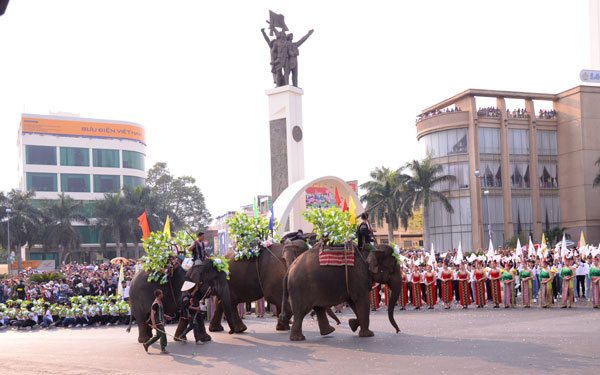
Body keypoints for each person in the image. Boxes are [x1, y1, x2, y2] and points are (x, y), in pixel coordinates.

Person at [143, 289, 172, 354]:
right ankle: (163, 348)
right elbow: (152, 314)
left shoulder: (160, 302)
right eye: (162, 294)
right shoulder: (155, 304)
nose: (162, 295)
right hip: (158, 322)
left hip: (161, 321)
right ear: (159, 295)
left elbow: (160, 312)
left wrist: (166, 316)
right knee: (163, 334)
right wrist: (154, 324)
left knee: (158, 335)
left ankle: (146, 344)